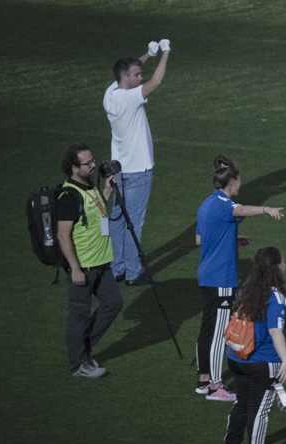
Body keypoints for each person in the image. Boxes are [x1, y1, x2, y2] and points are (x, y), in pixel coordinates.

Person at [194, 156, 284, 401]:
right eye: (239, 181)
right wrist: (266, 209)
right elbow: (240, 209)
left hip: (207, 276)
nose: (241, 185)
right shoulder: (225, 204)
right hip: (222, 279)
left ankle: (204, 379)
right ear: (231, 182)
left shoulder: (206, 204)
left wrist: (230, 238)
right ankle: (215, 386)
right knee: (219, 333)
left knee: (207, 329)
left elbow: (200, 240)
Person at [103, 40, 169, 285]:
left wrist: (148, 55)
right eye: (137, 75)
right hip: (139, 171)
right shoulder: (130, 98)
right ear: (125, 78)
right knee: (134, 224)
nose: (141, 77)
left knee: (118, 220)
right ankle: (132, 273)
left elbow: (132, 68)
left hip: (119, 170)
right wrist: (165, 52)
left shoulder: (110, 94)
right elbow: (157, 82)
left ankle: (117, 268)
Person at [56, 144, 123, 378]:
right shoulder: (68, 196)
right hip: (84, 266)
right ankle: (78, 364)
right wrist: (75, 268)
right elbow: (63, 235)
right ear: (74, 168)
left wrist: (106, 191)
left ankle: (83, 349)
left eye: (93, 161)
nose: (94, 165)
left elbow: (97, 212)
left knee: (113, 304)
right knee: (79, 314)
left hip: (102, 263)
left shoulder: (90, 187)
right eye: (88, 163)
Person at [222, 247, 286, 444]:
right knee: (259, 410)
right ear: (277, 267)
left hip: (236, 356)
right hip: (263, 361)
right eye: (282, 261)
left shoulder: (246, 289)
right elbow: (275, 331)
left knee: (241, 403)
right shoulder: (276, 297)